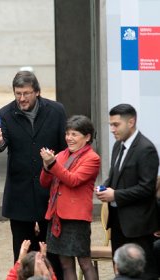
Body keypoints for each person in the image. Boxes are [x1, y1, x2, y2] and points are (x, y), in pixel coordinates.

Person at [0, 71, 66, 277]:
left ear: (37, 92)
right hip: (19, 194)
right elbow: (1, 145)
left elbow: (65, 148)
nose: (21, 98)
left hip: (50, 193)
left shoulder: (57, 111)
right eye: (18, 94)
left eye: (26, 93)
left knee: (51, 253)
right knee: (22, 252)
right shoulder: (4, 114)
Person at [96, 104, 159, 280]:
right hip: (117, 222)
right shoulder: (118, 146)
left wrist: (115, 195)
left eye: (116, 125)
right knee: (121, 272)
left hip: (138, 226)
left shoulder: (146, 149)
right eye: (110, 124)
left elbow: (147, 188)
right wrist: (104, 188)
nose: (112, 129)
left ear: (131, 122)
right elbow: (114, 177)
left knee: (143, 273)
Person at [40, 115, 100, 280]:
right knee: (65, 264)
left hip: (76, 218)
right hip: (57, 215)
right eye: (67, 133)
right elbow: (45, 182)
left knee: (84, 262)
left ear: (87, 137)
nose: (69, 138)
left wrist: (52, 164)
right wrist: (46, 166)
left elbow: (73, 180)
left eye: (74, 134)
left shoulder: (92, 158)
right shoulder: (61, 155)